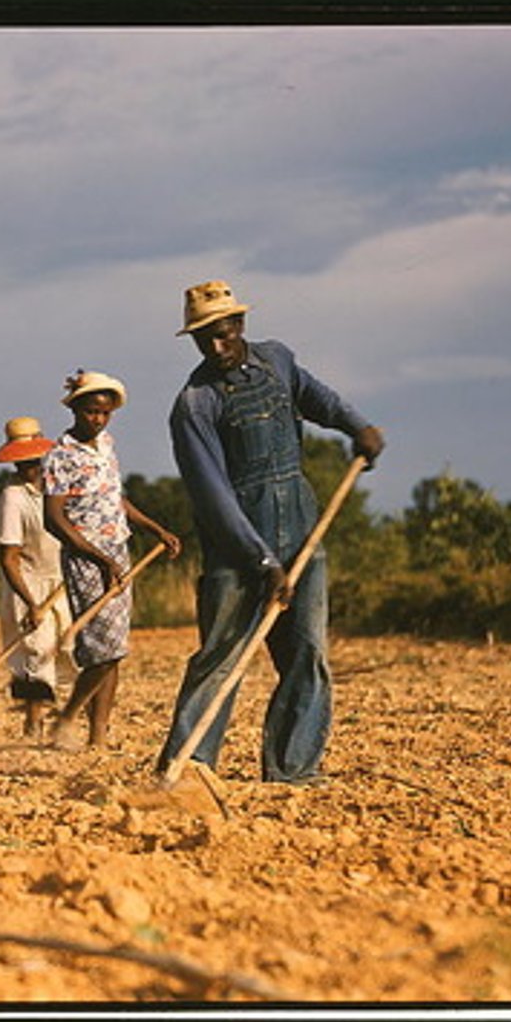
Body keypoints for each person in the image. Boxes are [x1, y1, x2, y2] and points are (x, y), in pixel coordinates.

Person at [155, 280, 385, 786]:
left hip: (303, 530)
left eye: (224, 332)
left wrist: (357, 426)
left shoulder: (277, 361)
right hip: (236, 552)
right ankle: (188, 771)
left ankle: (293, 768)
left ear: (240, 324)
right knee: (221, 657)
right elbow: (214, 498)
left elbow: (317, 398)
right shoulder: (194, 404)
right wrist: (262, 562)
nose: (217, 346)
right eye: (204, 339)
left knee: (307, 653)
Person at [42, 371, 182, 748]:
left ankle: (97, 737)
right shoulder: (60, 456)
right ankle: (69, 716)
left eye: (104, 413)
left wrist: (155, 528)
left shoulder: (106, 445)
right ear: (75, 410)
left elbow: (114, 499)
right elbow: (53, 519)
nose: (98, 420)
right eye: (91, 412)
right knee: (102, 650)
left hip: (118, 551)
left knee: (115, 649)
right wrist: (99, 558)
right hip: (86, 560)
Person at [0, 417, 74, 738]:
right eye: (24, 461)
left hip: (63, 581)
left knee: (72, 648)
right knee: (36, 653)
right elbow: (8, 558)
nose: (32, 466)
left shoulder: (58, 485)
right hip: (28, 584)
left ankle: (71, 720)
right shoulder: (13, 497)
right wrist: (31, 603)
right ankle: (33, 724)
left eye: (35, 459)